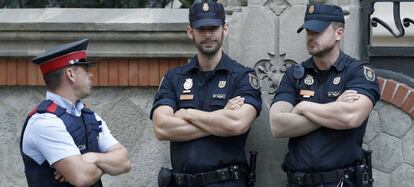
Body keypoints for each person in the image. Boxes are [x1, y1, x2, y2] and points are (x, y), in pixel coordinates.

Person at [150, 1, 262, 186]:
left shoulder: (242, 76)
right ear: (190, 32)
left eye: (213, 28)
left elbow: (237, 123)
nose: (208, 34)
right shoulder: (174, 77)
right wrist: (220, 118)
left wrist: (187, 113)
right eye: (202, 29)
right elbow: (162, 128)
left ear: (225, 29)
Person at [269, 3, 380, 187]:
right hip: (298, 182)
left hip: (339, 181)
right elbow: (277, 125)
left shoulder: (358, 72)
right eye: (308, 31)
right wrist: (334, 108)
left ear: (339, 33)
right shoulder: (295, 75)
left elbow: (351, 117)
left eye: (318, 31)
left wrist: (303, 107)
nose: (311, 36)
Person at [20, 38, 131, 187]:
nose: (90, 75)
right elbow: (82, 177)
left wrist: (93, 158)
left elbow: (124, 162)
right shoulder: (45, 121)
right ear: (71, 74)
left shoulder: (87, 115)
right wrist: (105, 163)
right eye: (85, 70)